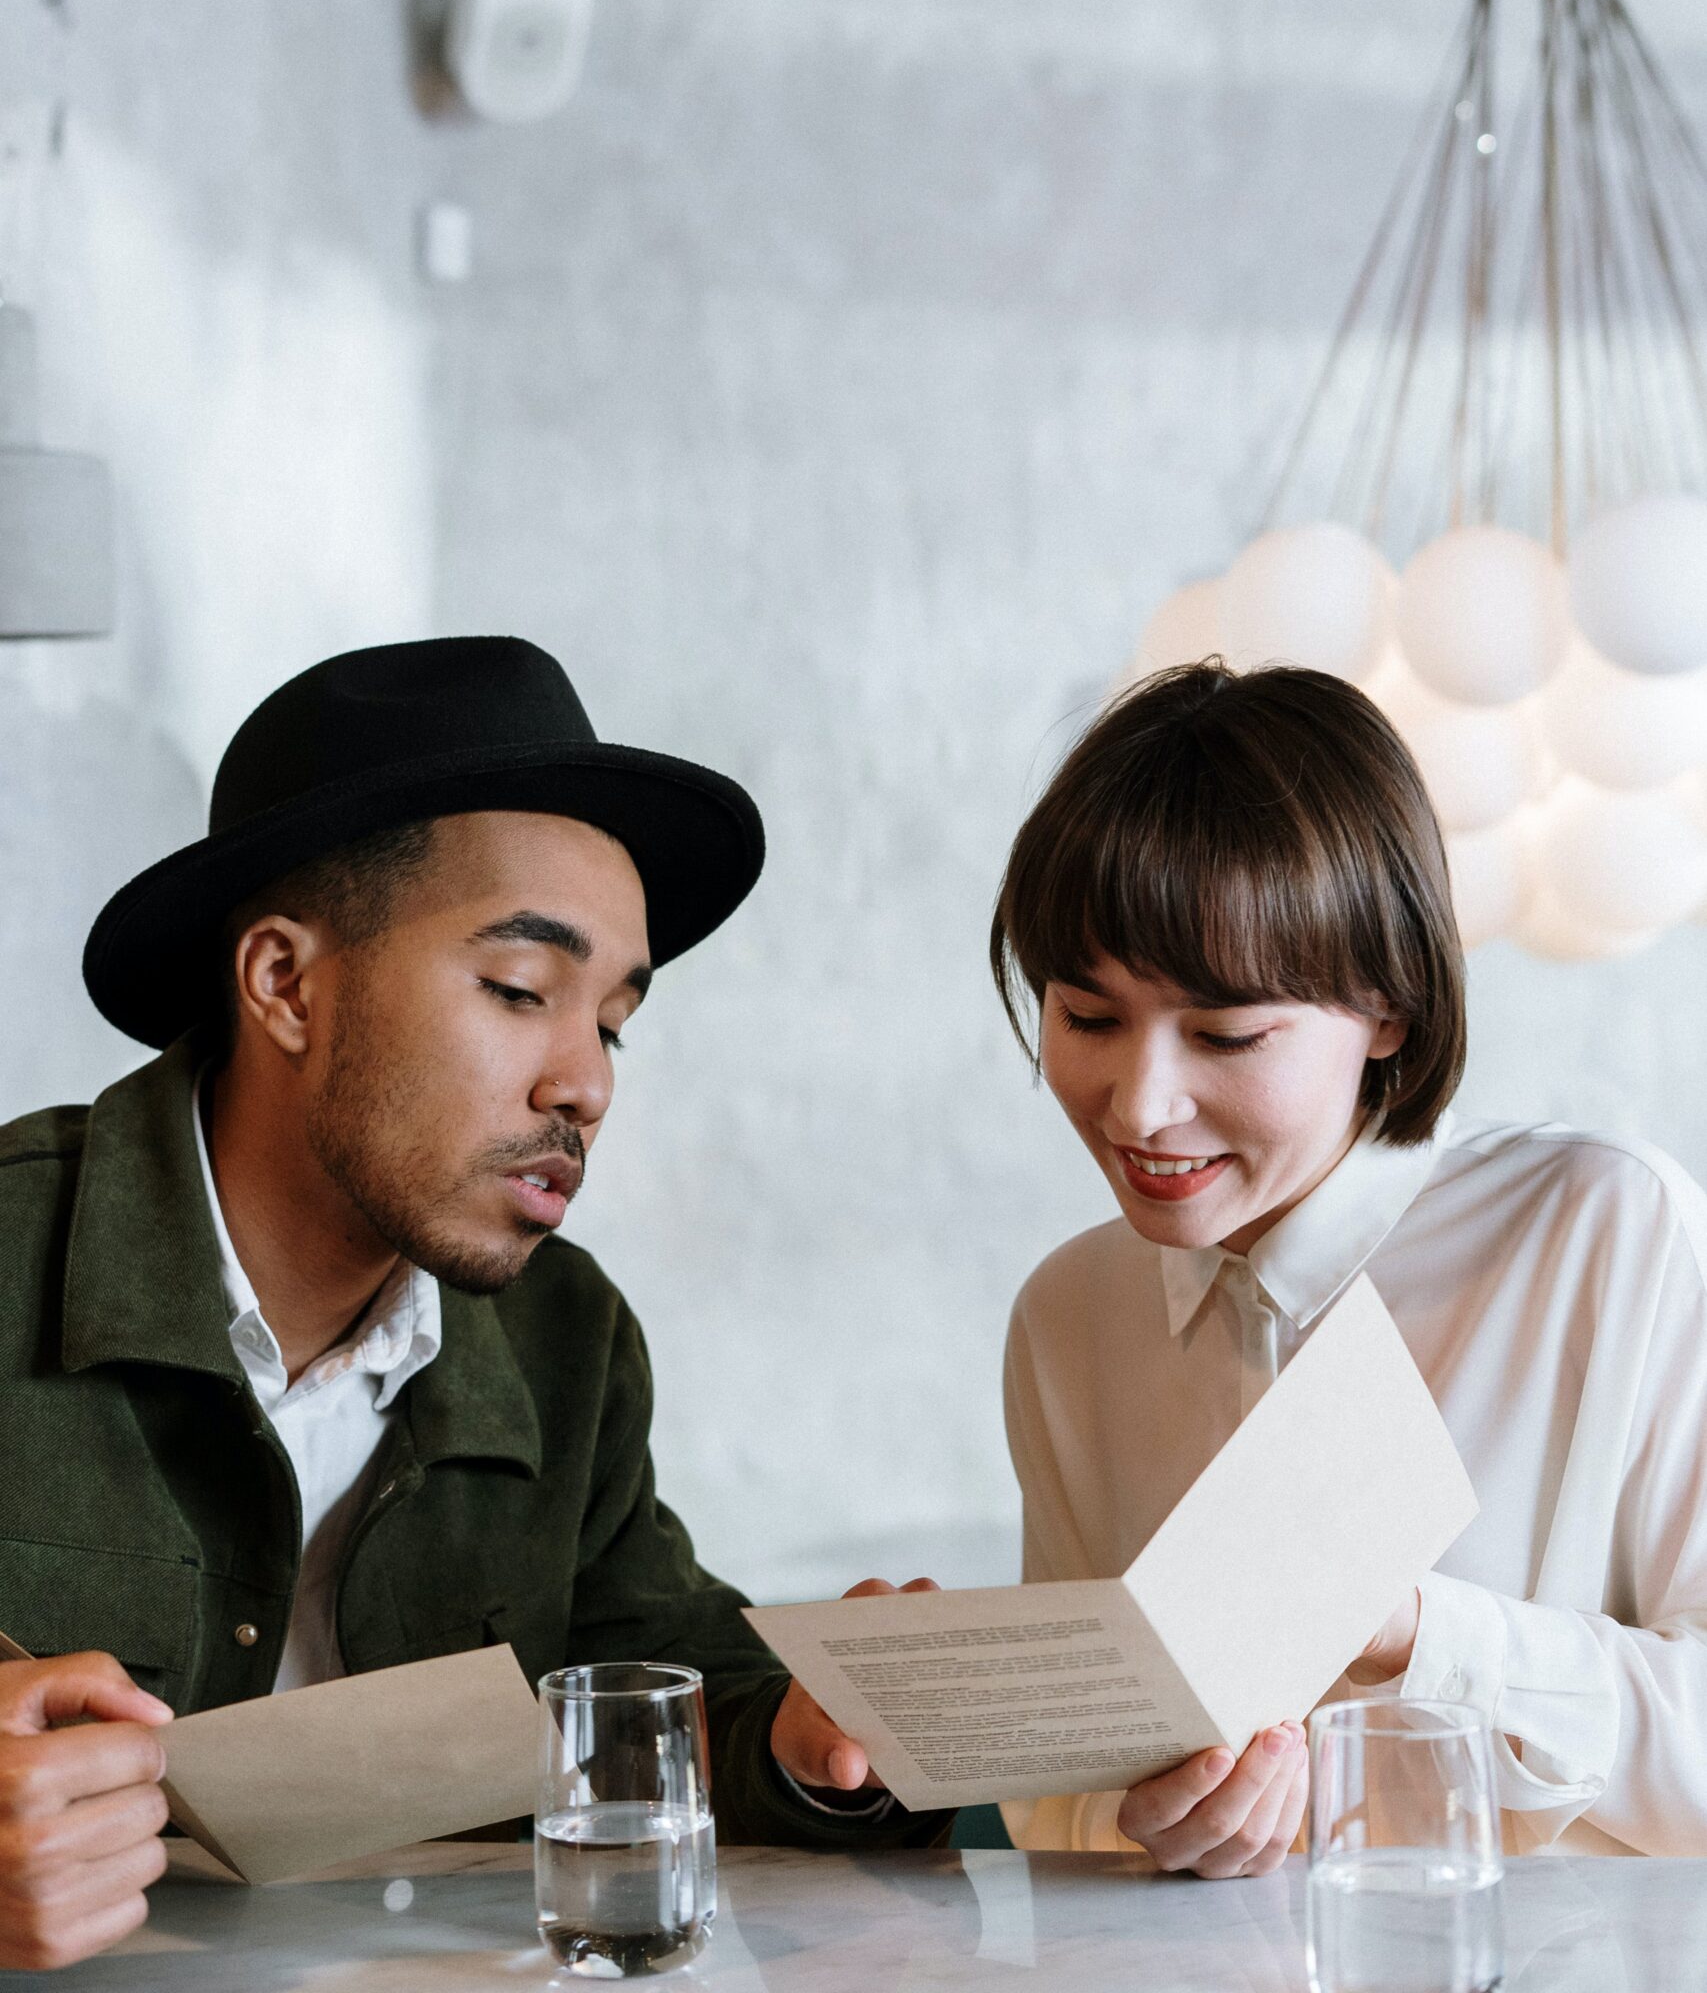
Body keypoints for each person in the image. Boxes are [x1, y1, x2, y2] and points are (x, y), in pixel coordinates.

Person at [0, 637, 940, 1973]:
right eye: (518, 990)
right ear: (283, 983)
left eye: (611, 1022)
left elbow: (660, 1679)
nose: (587, 1086)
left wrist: (813, 1738)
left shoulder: (567, 1343)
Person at [991, 658, 1707, 1869]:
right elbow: (1061, 1807)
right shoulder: (1073, 1315)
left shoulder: (1602, 1229)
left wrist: (1416, 1632)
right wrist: (1150, 1818)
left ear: (1391, 1008)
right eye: (1087, 1016)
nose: (1141, 1105)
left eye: (1226, 1031)